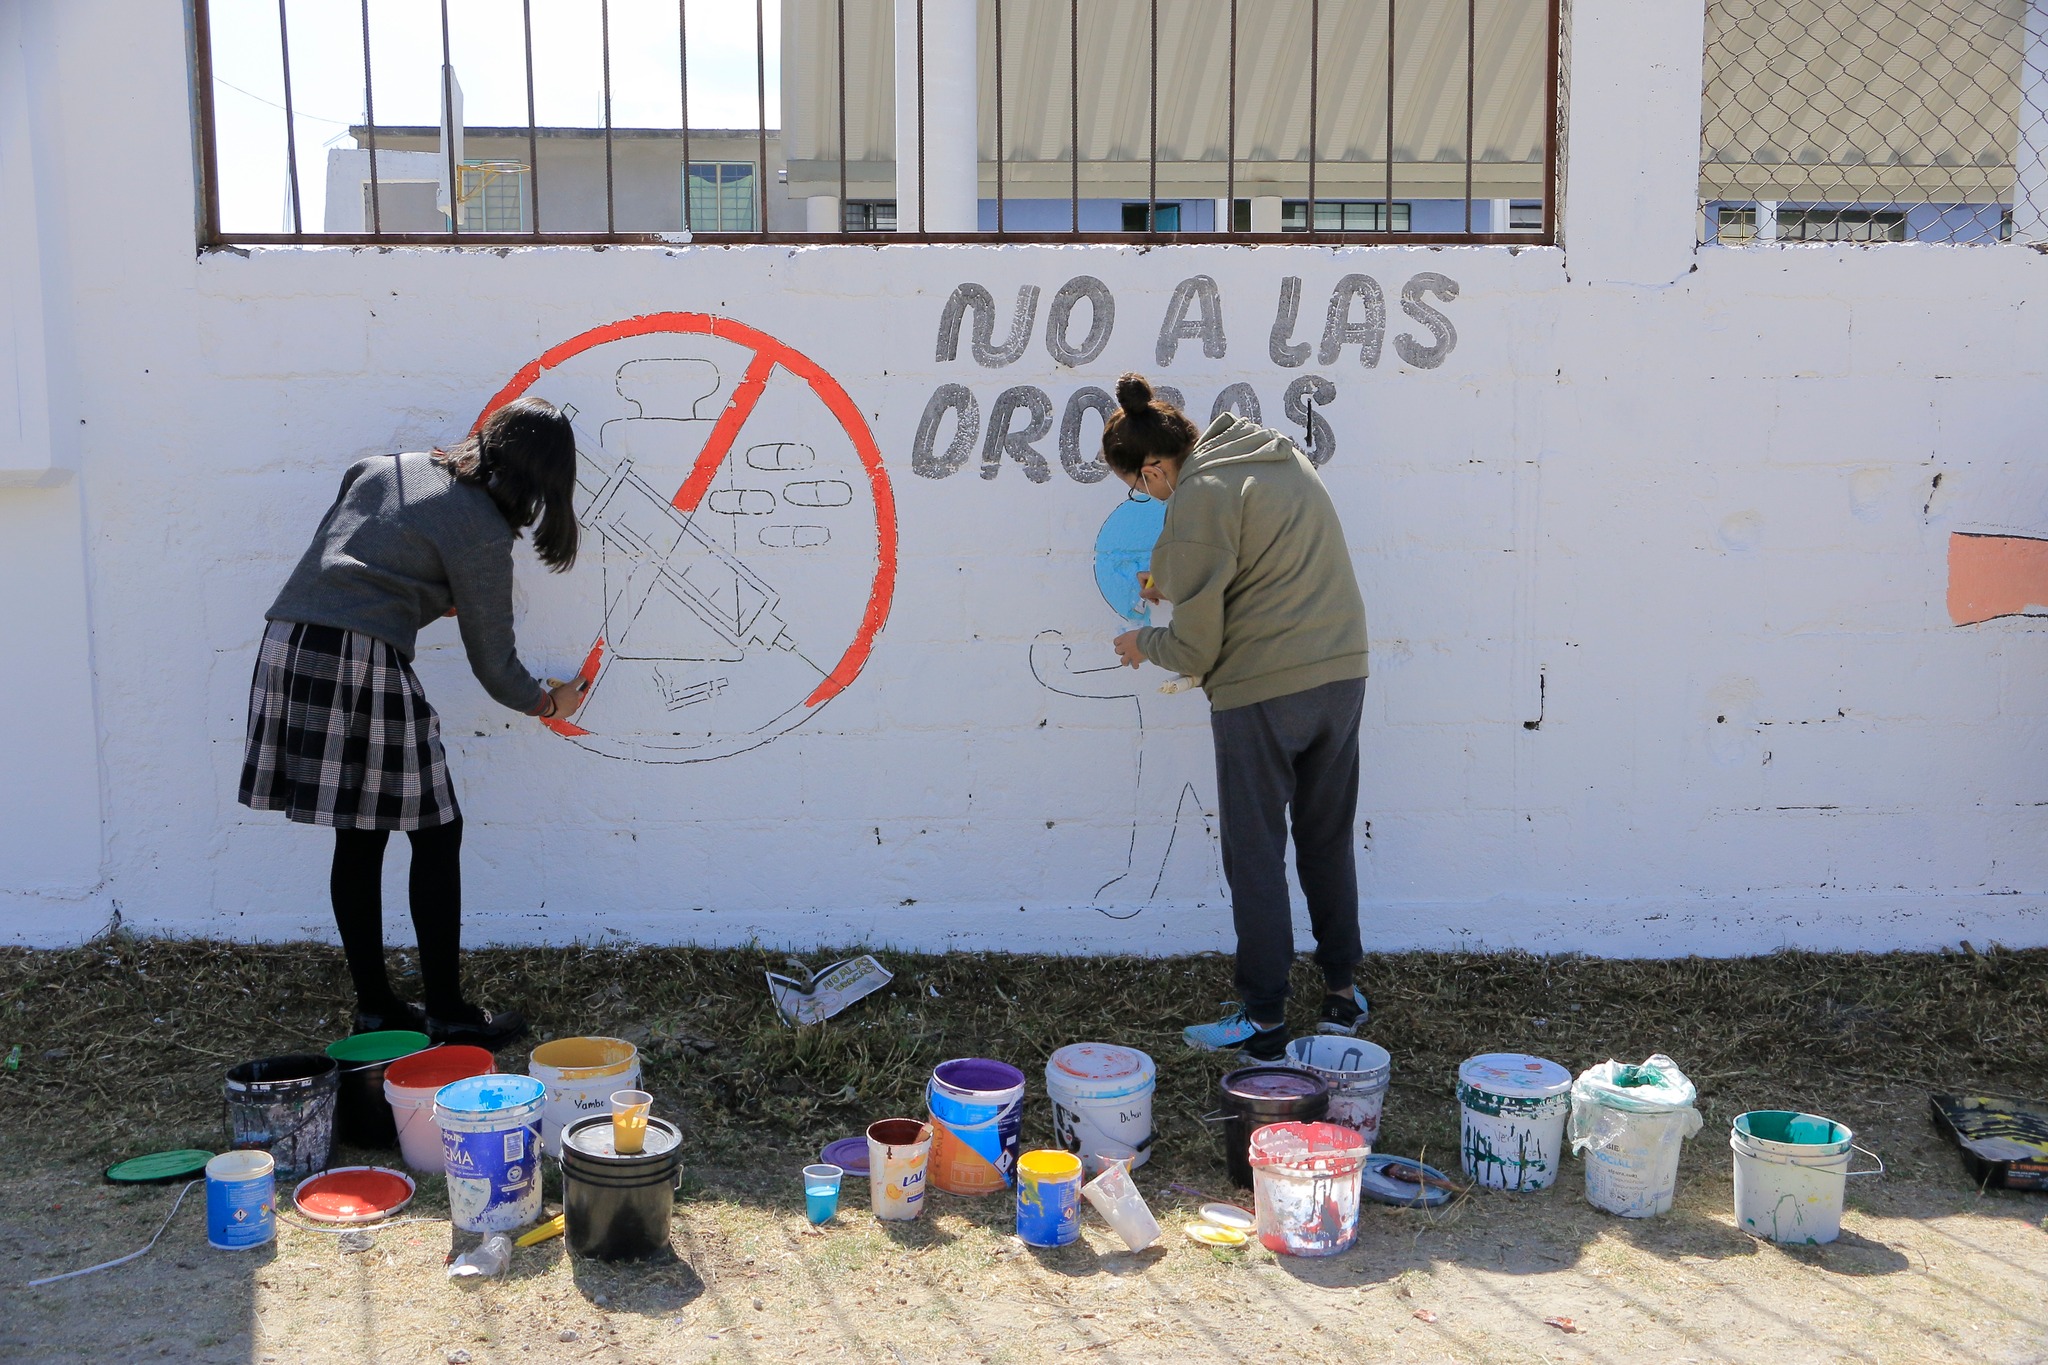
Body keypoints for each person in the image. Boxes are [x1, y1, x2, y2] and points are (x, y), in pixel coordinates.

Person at [238, 397, 589, 1045]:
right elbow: (495, 666)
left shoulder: (385, 465)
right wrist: (550, 702)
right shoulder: (482, 528)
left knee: (361, 832)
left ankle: (375, 1006)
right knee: (436, 829)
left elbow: (363, 541)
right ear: (542, 481)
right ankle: (449, 1013)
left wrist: (423, 583)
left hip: (288, 639)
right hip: (358, 653)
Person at [1101, 374, 1370, 1062]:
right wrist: (1171, 575)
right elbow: (1247, 555)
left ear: (1154, 466)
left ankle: (1264, 1016)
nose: (1150, 496)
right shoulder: (1271, 456)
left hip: (1263, 691)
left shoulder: (1199, 494)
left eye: (1141, 485)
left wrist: (1143, 643)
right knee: (1325, 834)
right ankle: (1342, 989)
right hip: (1340, 673)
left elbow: (1194, 645)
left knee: (1254, 852)